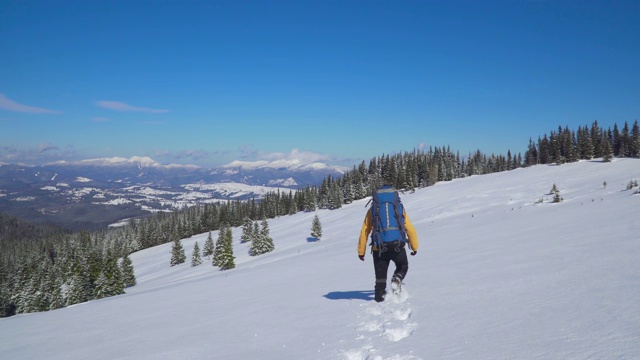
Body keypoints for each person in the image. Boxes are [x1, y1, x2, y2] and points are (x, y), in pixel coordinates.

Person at [358, 185, 419, 302]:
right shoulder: (398, 207)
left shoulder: (372, 210)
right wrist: (414, 246)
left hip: (379, 248)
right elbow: (409, 228)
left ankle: (379, 301)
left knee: (380, 280)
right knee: (403, 266)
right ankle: (397, 279)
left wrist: (361, 251)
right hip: (397, 246)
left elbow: (364, 232)